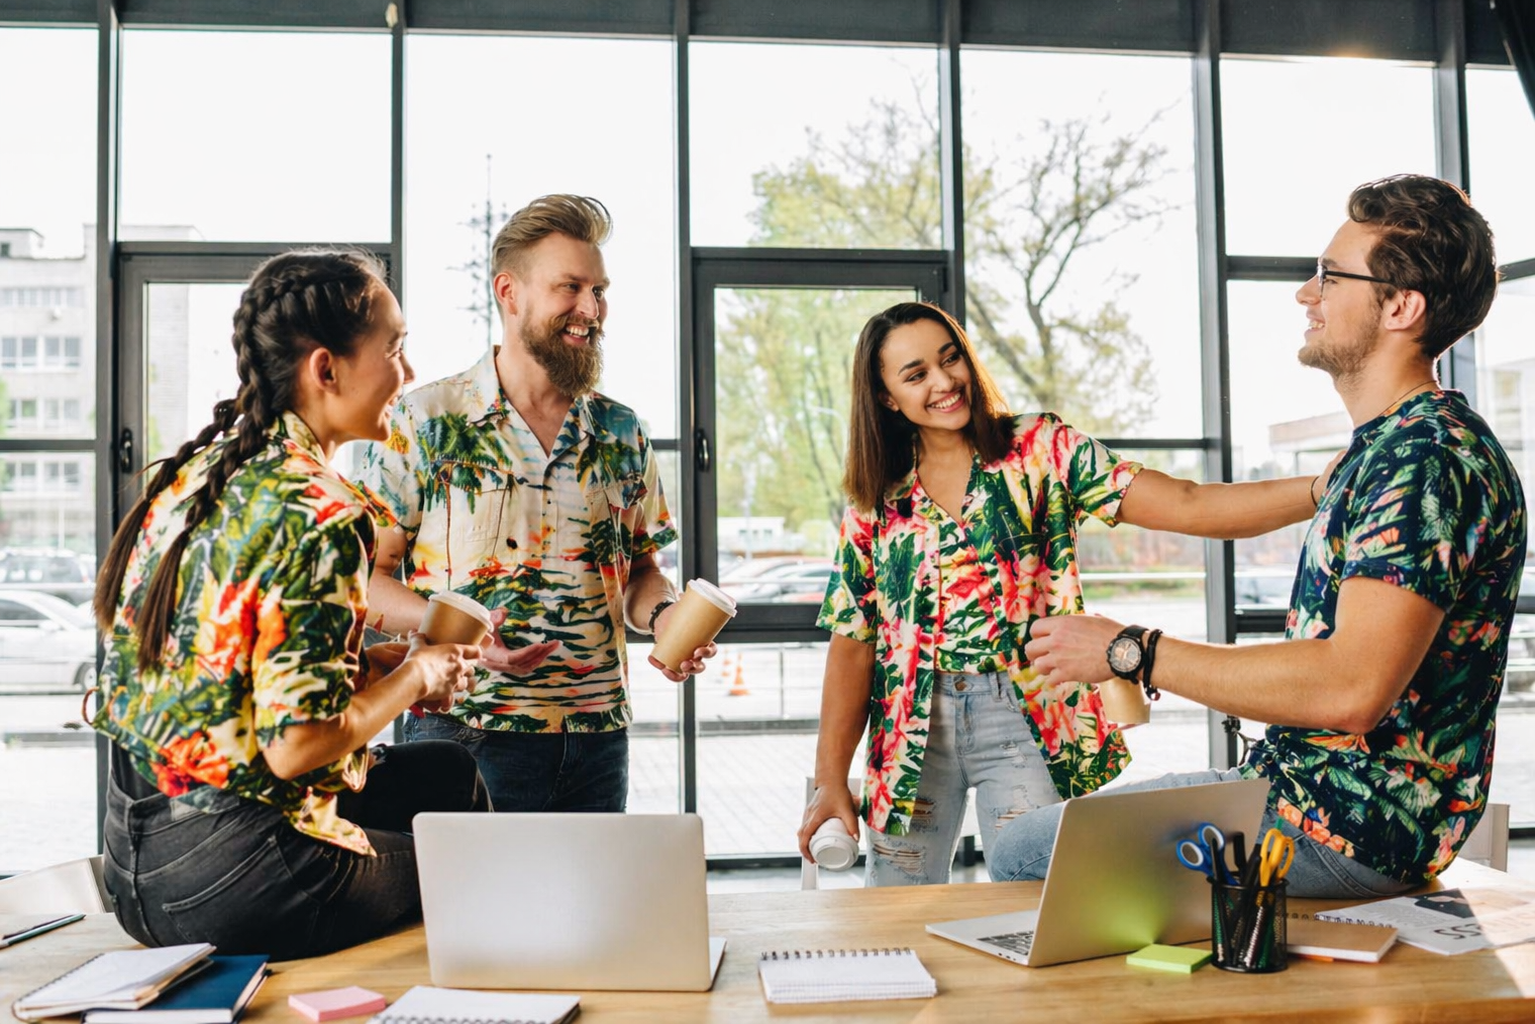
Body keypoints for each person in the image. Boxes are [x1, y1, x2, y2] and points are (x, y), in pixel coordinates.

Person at [991, 174, 1525, 898]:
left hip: (1343, 826)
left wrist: (1132, 651)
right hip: (1301, 794)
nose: (1305, 295)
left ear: (1399, 306)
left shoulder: (1423, 459)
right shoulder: (1388, 450)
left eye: (1328, 277)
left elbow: (1349, 689)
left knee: (1025, 851)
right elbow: (1202, 509)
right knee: (1035, 844)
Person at [798, 300, 1334, 885]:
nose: (945, 381)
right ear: (885, 398)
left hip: (1025, 715)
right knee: (895, 911)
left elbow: (1188, 503)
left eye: (950, 359)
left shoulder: (1041, 449)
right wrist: (830, 779)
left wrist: (1316, 489)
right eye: (916, 374)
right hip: (910, 731)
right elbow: (852, 645)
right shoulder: (878, 499)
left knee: (1030, 897)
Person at [93, 250, 492, 959]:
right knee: (466, 861)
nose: (407, 372)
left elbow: (228, 680)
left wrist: (373, 664)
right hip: (240, 881)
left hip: (133, 865)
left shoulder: (198, 476)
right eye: (396, 348)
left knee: (444, 774)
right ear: (325, 368)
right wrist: (418, 677)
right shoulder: (324, 511)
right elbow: (296, 747)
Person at [359, 194, 713, 814]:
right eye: (570, 288)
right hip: (466, 730)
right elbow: (368, 581)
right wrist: (466, 638)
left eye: (599, 290)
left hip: (598, 736)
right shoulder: (424, 420)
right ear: (509, 292)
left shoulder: (622, 431)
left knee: (593, 913)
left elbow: (642, 573)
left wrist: (666, 620)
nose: (591, 309)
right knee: (473, 913)